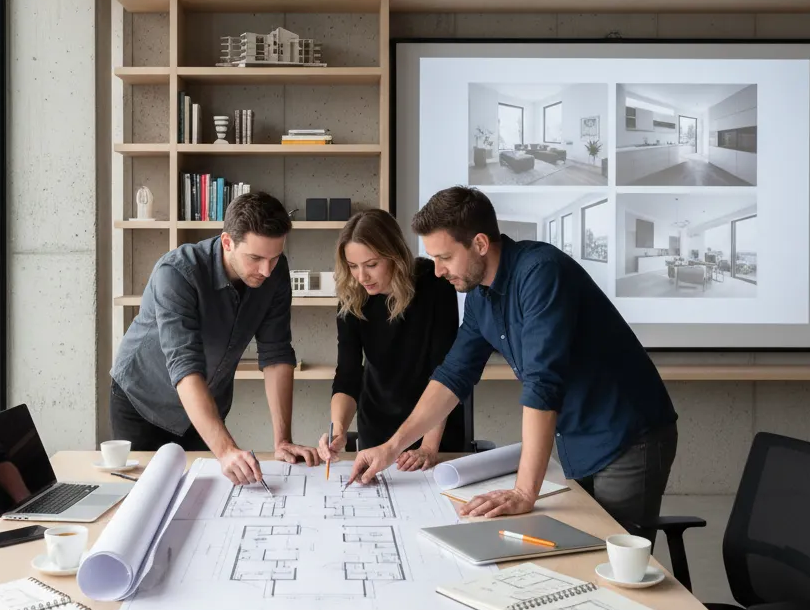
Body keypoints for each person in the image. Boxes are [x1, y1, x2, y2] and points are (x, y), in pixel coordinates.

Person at [349, 186, 678, 538]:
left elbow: (542, 383)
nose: (437, 271)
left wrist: (524, 492)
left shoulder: (540, 273)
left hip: (626, 436)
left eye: (444, 257)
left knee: (616, 564)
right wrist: (391, 447)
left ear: (479, 244)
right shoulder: (479, 295)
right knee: (579, 551)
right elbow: (453, 375)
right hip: (578, 438)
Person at [109, 191, 319, 484]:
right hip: (144, 401)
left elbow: (277, 353)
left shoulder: (275, 272)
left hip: (204, 407)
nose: (266, 270)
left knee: (196, 499)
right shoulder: (177, 273)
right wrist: (226, 450)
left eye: (274, 257)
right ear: (227, 242)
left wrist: (282, 441)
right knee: (145, 501)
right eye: (255, 257)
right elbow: (184, 366)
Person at [317, 210, 465, 471]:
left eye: (371, 265)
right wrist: (338, 428)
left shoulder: (434, 283)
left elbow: (444, 370)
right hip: (377, 427)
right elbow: (348, 374)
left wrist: (429, 448)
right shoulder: (352, 297)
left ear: (394, 255)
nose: (361, 277)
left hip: (435, 427)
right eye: (353, 266)